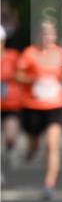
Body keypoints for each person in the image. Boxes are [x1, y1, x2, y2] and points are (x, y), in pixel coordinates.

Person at [16, 20, 62, 199]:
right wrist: (33, 79)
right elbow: (18, 75)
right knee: (34, 145)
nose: (48, 37)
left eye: (51, 34)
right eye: (44, 34)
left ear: (55, 35)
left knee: (52, 144)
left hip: (54, 104)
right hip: (32, 105)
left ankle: (49, 184)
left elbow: (60, 74)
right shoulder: (29, 53)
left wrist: (59, 79)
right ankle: (30, 152)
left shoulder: (59, 53)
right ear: (38, 35)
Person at [1, 24, 22, 176]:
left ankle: (11, 148)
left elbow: (22, 75)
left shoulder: (13, 56)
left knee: (10, 135)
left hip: (10, 104)